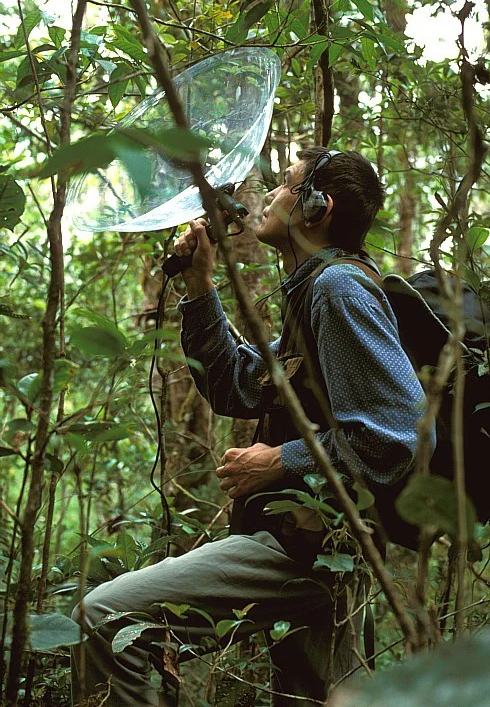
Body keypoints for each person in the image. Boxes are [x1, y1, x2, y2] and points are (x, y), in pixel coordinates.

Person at [71, 148, 431, 706]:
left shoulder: (339, 289)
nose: (265, 197)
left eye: (285, 185)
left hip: (313, 549)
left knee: (106, 614)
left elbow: (395, 435)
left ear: (317, 206)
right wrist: (199, 287)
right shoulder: (312, 290)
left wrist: (279, 460)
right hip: (315, 544)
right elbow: (238, 385)